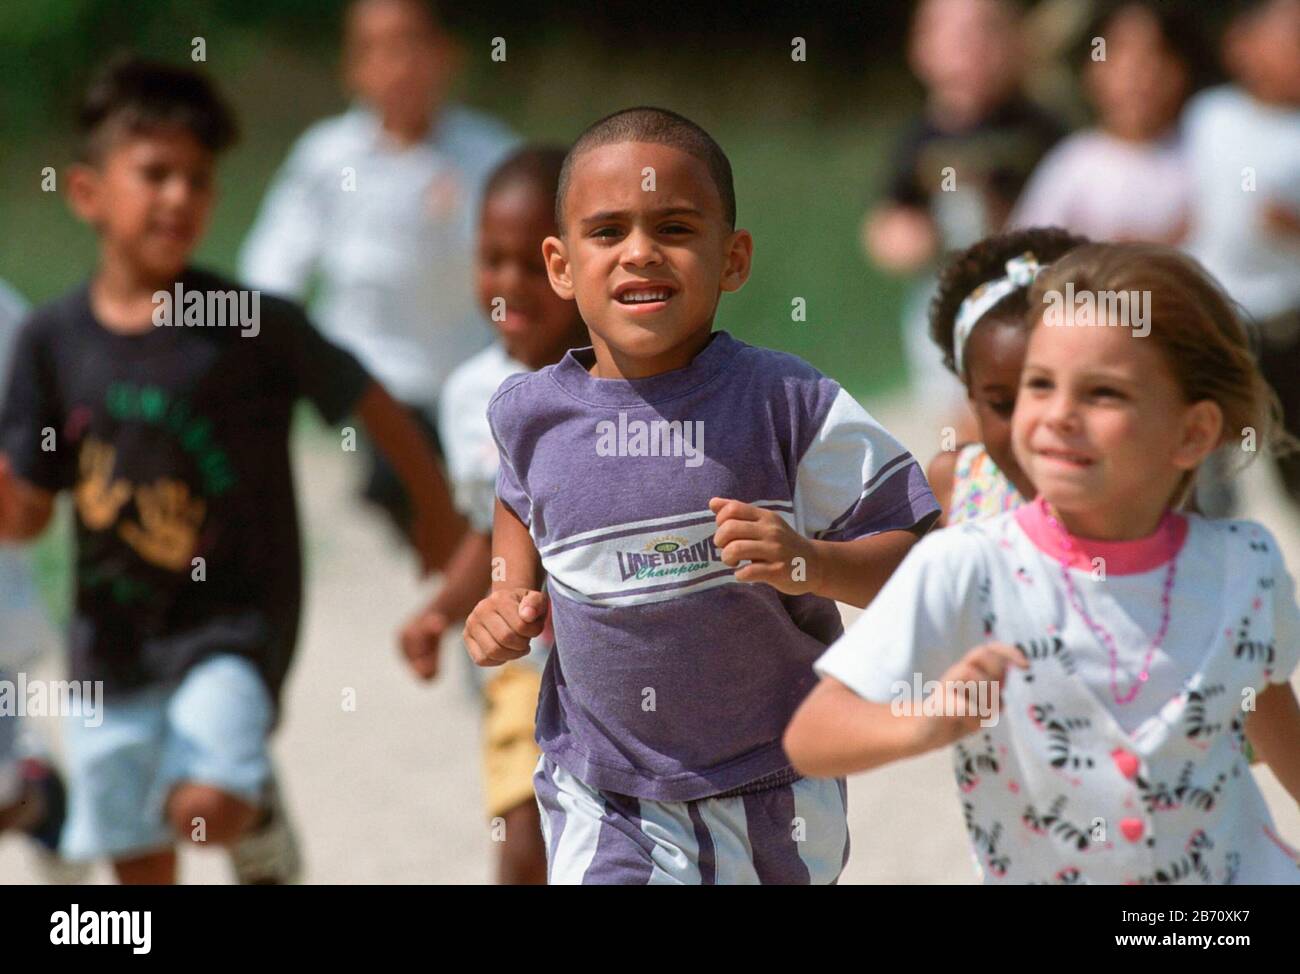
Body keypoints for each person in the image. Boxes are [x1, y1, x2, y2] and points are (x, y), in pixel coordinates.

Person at [0, 56, 462, 885]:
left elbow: (369, 398)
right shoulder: (50, 341)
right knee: (137, 864)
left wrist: (432, 510)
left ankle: (258, 814)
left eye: (198, 178)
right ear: (87, 193)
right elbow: (28, 516)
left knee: (203, 807)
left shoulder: (241, 323)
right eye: (155, 174)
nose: (179, 195)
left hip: (232, 631)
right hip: (108, 648)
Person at [463, 107, 940, 884]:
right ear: (560, 264)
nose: (640, 253)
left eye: (676, 228)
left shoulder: (786, 402)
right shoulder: (528, 414)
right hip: (602, 792)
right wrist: (505, 594)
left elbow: (919, 559)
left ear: (733, 257)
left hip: (774, 780)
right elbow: (519, 500)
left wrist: (809, 563)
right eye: (608, 231)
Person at [786, 243, 1300, 884]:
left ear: (1193, 433)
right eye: (1039, 384)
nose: (1058, 414)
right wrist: (923, 721)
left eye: (1104, 393)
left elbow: (1270, 713)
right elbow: (813, 735)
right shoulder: (967, 567)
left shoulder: (1243, 565)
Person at [240, 0, 517, 534]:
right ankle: (440, 565)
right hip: (374, 376)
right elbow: (273, 266)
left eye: (411, 43)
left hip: (476, 368)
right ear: (352, 68)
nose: (397, 64)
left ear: (446, 55)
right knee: (396, 485)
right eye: (376, 49)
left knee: (495, 493)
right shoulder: (327, 160)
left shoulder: (489, 154)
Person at [399, 145, 586, 885]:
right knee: (521, 847)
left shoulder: (628, 382)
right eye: (490, 259)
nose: (507, 284)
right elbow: (488, 530)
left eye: (532, 263)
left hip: (627, 662)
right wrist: (440, 611)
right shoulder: (468, 396)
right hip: (523, 672)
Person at [863, 0, 1066, 433]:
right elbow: (887, 220)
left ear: (1018, 42)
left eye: (987, 31)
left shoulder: (1039, 127)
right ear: (921, 50)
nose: (971, 47)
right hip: (944, 298)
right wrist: (907, 240)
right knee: (961, 418)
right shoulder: (917, 139)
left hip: (1032, 293)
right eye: (953, 34)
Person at [1182, 0, 1300, 511]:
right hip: (1217, 316)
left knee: (1289, 454)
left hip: (1287, 322)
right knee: (1214, 467)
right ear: (1242, 47)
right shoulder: (1210, 115)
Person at [1010, 1, 1213, 243]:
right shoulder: (1073, 164)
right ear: (1092, 72)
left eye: (1155, 55)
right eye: (1120, 55)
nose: (1137, 75)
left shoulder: (1203, 157)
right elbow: (1024, 255)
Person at [926, 227, 1088, 526]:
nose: (1030, 425)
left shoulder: (1149, 485)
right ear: (971, 395)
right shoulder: (956, 484)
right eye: (1003, 405)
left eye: (1052, 393)